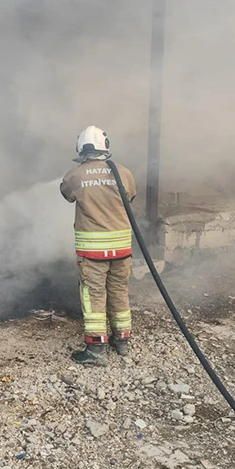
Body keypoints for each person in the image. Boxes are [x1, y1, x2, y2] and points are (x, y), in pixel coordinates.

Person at [60, 126, 137, 365]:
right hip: (122, 250)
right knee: (119, 293)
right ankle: (122, 341)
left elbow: (67, 194)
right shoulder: (123, 173)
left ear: (81, 148)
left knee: (93, 297)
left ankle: (96, 350)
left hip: (93, 252)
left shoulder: (76, 175)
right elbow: (131, 197)